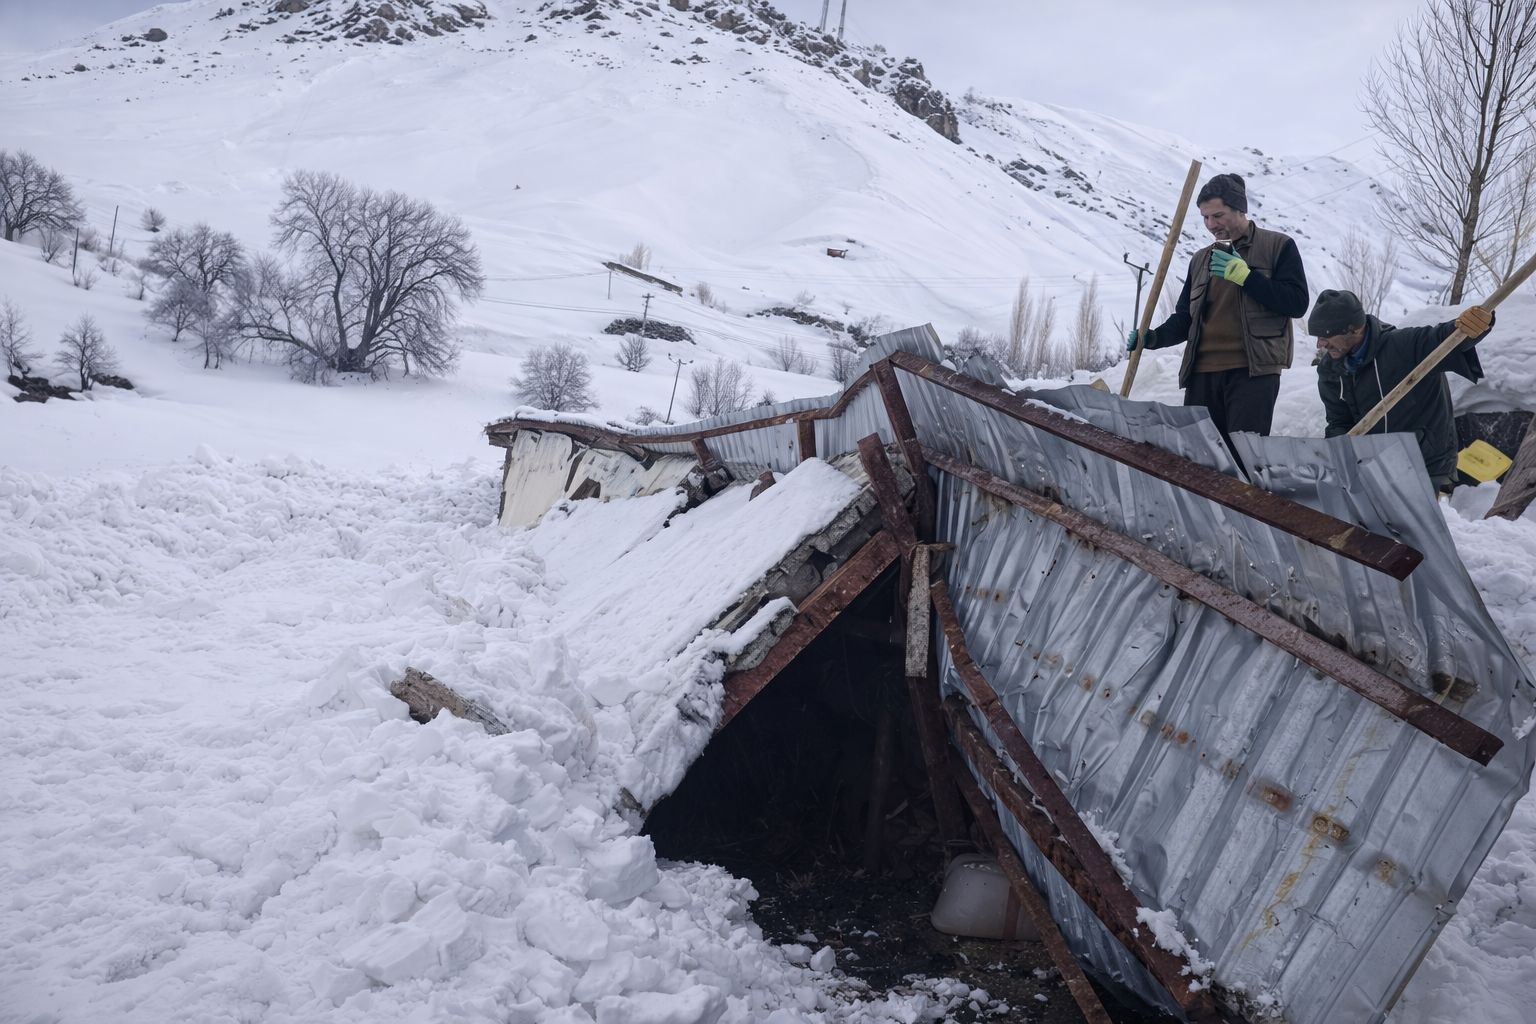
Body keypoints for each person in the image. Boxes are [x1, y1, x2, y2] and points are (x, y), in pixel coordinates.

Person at [1127, 173, 1309, 451]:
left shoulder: (1277, 246)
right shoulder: (1201, 259)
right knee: (1201, 459)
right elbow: (1185, 319)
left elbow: (1296, 303)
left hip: (1253, 372)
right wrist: (1152, 338)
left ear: (1241, 209)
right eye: (1205, 218)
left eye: (1218, 215)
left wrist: (1247, 277)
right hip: (1202, 374)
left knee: (1244, 459)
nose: (1212, 225)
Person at [1310, 289, 1494, 493]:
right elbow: (1339, 422)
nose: (1320, 344)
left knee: (1412, 524)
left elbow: (1445, 338)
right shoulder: (1330, 369)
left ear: (1353, 329)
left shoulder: (1403, 346)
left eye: (1326, 335)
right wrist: (1340, 461)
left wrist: (1475, 324)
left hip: (1424, 463)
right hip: (1374, 467)